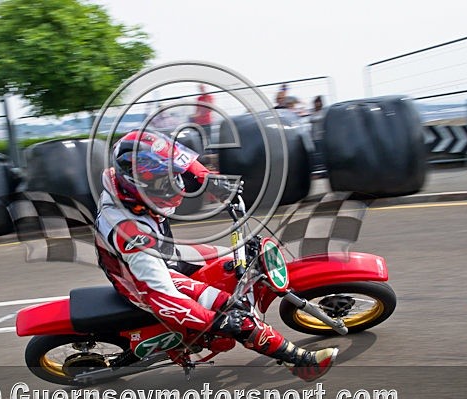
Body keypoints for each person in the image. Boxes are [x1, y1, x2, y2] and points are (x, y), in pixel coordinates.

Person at [94, 130, 338, 381]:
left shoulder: (127, 179)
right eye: (168, 180)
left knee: (233, 260)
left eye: (174, 175)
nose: (177, 182)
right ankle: (299, 362)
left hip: (162, 253)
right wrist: (216, 321)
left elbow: (181, 161)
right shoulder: (132, 233)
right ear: (144, 186)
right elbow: (163, 297)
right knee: (234, 313)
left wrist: (213, 183)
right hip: (141, 281)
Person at [308, 96, 327, 171]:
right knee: (317, 154)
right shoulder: (313, 112)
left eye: (317, 102)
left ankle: (324, 168)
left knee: (322, 154)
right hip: (314, 137)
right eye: (315, 103)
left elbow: (315, 119)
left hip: (321, 137)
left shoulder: (323, 112)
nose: (316, 104)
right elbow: (310, 120)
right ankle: (319, 169)